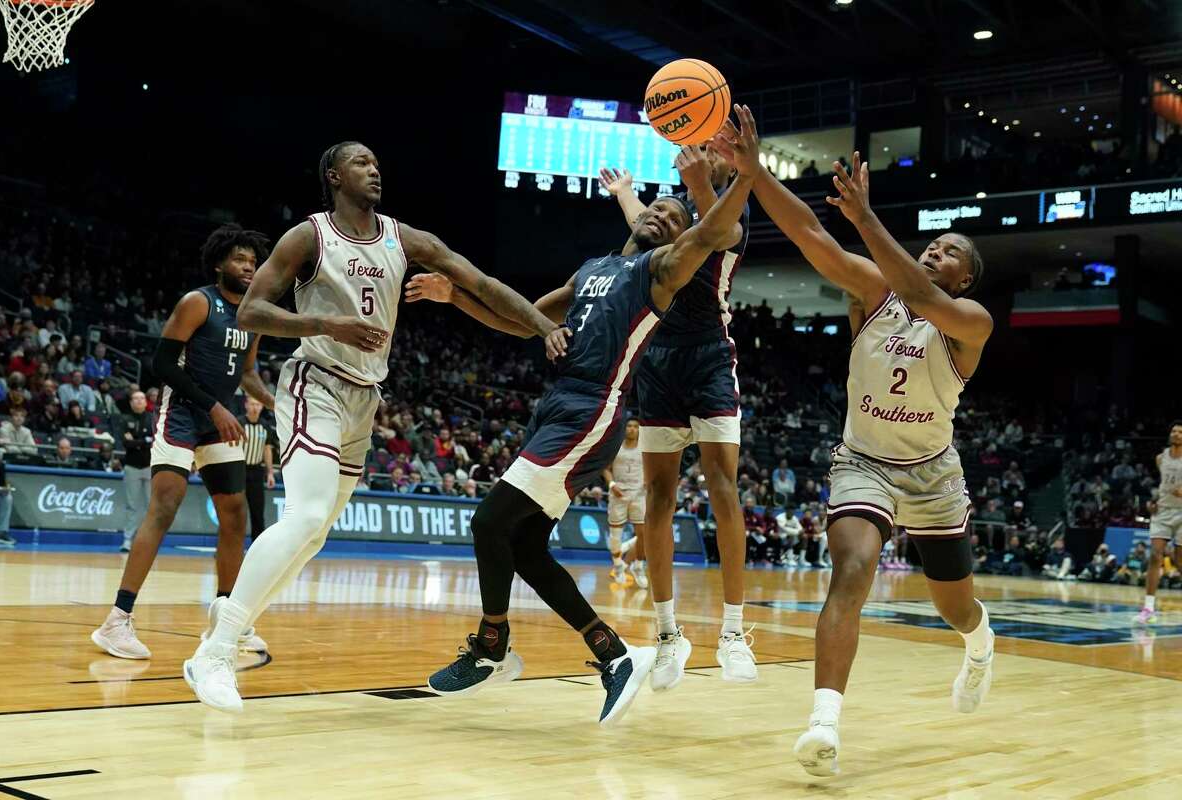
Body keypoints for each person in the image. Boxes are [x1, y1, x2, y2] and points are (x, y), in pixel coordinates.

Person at [407, 107, 759, 725]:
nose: (659, 214)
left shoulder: (661, 272)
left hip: (595, 410)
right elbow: (522, 318)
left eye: (673, 218)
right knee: (522, 545)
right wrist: (454, 295)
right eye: (655, 207)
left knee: (489, 522)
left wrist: (730, 176)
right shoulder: (595, 268)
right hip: (558, 407)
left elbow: (713, 233)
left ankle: (492, 647)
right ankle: (613, 654)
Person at [185, 140, 563, 713]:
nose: (375, 169)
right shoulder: (307, 237)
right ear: (334, 175)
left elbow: (481, 283)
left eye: (378, 163)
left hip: (365, 398)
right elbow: (251, 312)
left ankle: (229, 618)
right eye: (362, 162)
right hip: (315, 381)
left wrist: (542, 326)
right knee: (306, 515)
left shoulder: (405, 238)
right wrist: (327, 323)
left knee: (313, 538)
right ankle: (215, 650)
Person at [751, 150, 996, 776]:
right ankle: (823, 723)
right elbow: (808, 230)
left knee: (954, 607)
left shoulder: (969, 321)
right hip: (864, 460)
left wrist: (865, 218)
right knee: (853, 568)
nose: (934, 253)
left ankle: (978, 642)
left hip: (933, 472)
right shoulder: (875, 290)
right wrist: (753, 171)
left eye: (949, 253)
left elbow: (918, 291)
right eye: (932, 245)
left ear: (964, 280)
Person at [598, 126, 756, 689]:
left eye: (715, 148)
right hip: (660, 360)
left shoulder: (731, 205)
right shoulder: (676, 210)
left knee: (721, 488)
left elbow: (716, 232)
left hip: (710, 357)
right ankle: (668, 636)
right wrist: (623, 195)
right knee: (659, 499)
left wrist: (702, 181)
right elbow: (651, 229)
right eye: (702, 145)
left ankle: (733, 632)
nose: (704, 151)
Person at [90, 224, 274, 660]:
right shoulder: (198, 302)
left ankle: (227, 623)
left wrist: (276, 402)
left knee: (235, 515)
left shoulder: (252, 315)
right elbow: (161, 364)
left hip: (220, 421)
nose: (248, 267)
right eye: (240, 260)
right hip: (184, 414)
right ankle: (116, 621)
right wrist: (213, 407)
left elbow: (247, 372)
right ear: (218, 264)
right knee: (165, 506)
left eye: (253, 261)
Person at [1135, 421, 1182, 623]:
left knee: (1180, 561)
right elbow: (1162, 486)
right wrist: (1152, 502)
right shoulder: (1160, 458)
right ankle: (1148, 608)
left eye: (1181, 432)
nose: (1177, 434)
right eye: (1174, 430)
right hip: (1163, 512)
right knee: (1155, 555)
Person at [601, 418, 649, 589]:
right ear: (625, 428)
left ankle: (638, 566)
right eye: (629, 426)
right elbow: (605, 468)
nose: (632, 429)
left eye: (636, 426)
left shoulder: (645, 449)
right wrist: (612, 485)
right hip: (618, 494)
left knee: (643, 534)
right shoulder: (616, 447)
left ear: (639, 430)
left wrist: (648, 481)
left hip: (639, 495)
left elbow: (652, 468)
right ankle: (618, 564)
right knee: (615, 536)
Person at [118, 390, 153, 552]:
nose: (139, 401)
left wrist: (137, 441)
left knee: (150, 506)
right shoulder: (125, 419)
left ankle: (145, 540)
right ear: (131, 402)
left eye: (141, 399)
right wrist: (144, 441)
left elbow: (154, 441)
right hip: (132, 467)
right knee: (131, 505)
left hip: (149, 467)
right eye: (135, 399)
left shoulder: (152, 418)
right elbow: (126, 443)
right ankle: (127, 540)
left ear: (146, 402)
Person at [239, 396, 278, 541]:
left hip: (256, 472)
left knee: (257, 513)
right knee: (234, 511)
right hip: (239, 472)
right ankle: (229, 548)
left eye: (258, 405)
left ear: (262, 407)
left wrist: (270, 473)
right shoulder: (239, 423)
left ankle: (256, 549)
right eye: (252, 404)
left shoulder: (265, 426)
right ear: (246, 405)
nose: (255, 408)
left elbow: (267, 449)